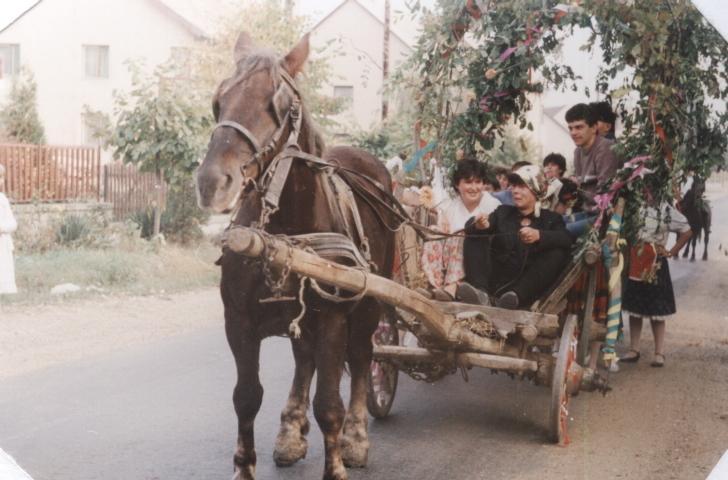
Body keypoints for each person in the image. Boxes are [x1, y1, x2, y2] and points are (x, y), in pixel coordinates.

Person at [459, 165, 573, 309]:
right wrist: (479, 225)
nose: (515, 191)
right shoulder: (502, 212)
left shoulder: (551, 219)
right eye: (514, 186)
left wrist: (539, 235)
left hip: (525, 288)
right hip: (494, 282)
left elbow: (567, 238)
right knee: (474, 235)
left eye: (522, 186)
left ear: (536, 189)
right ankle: (480, 294)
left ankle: (515, 297)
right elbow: (469, 228)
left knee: (558, 252)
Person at [620, 202, 692, 367]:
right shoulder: (635, 204)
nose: (648, 190)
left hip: (655, 262)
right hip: (636, 260)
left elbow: (687, 231)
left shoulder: (666, 210)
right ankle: (634, 349)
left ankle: (659, 353)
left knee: (656, 308)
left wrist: (671, 252)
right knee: (635, 308)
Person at [420, 158, 500, 301]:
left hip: (481, 265)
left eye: (478, 182)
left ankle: (453, 286)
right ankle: (436, 286)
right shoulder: (451, 207)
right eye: (468, 182)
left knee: (463, 234)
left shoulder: (493, 206)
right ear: (458, 185)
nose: (474, 187)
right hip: (449, 261)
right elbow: (442, 237)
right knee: (433, 231)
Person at [566, 103, 621, 208]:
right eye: (570, 128)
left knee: (561, 225)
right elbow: (581, 188)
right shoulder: (577, 152)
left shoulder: (606, 148)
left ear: (594, 128)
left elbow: (606, 193)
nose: (573, 133)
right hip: (587, 209)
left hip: (608, 214)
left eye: (579, 127)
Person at [0, 164, 18, 295]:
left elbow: (12, 222)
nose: (1, 181)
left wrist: (3, 227)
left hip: (2, 241)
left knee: (4, 267)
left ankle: (5, 290)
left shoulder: (3, 200)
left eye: (2, 177)